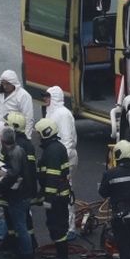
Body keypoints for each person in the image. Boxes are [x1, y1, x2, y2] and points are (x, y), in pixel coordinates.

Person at [0, 127, 37, 259]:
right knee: (21, 225)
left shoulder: (13, 153)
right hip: (23, 194)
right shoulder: (19, 150)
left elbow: (12, 174)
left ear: (2, 140)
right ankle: (23, 254)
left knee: (20, 227)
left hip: (18, 196)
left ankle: (27, 257)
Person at [35, 118, 72, 259]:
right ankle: (61, 255)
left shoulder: (53, 151)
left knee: (57, 225)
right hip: (58, 195)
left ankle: (62, 257)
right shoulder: (53, 148)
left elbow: (52, 176)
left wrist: (48, 198)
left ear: (46, 133)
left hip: (56, 196)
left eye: (39, 133)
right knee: (56, 224)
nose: (37, 136)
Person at [44, 86, 78, 231]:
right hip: (57, 160)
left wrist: (61, 162)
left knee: (65, 191)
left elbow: (67, 140)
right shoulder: (53, 112)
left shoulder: (62, 114)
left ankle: (69, 227)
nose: (44, 99)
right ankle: (63, 224)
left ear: (54, 98)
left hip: (65, 161)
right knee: (60, 193)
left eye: (47, 96)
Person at [0, 70, 34, 138]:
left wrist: (27, 137)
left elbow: (28, 119)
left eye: (7, 84)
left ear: (14, 83)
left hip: (13, 136)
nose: (5, 86)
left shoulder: (23, 96)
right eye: (3, 83)